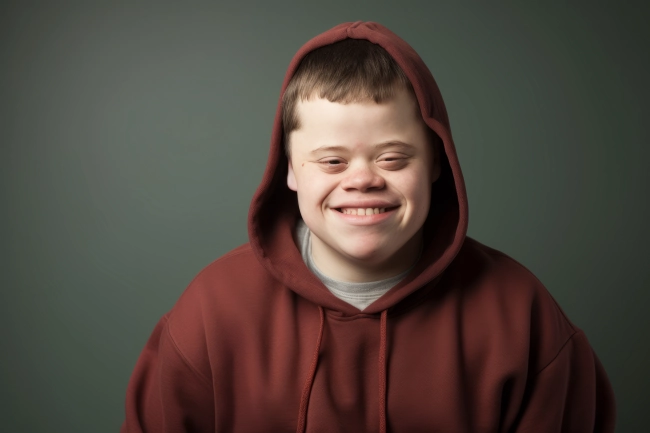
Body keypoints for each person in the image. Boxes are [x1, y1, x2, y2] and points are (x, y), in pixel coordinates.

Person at [120, 21, 616, 432]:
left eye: (394, 157)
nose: (362, 180)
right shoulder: (211, 312)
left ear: (438, 163)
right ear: (288, 169)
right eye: (332, 161)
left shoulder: (524, 318)